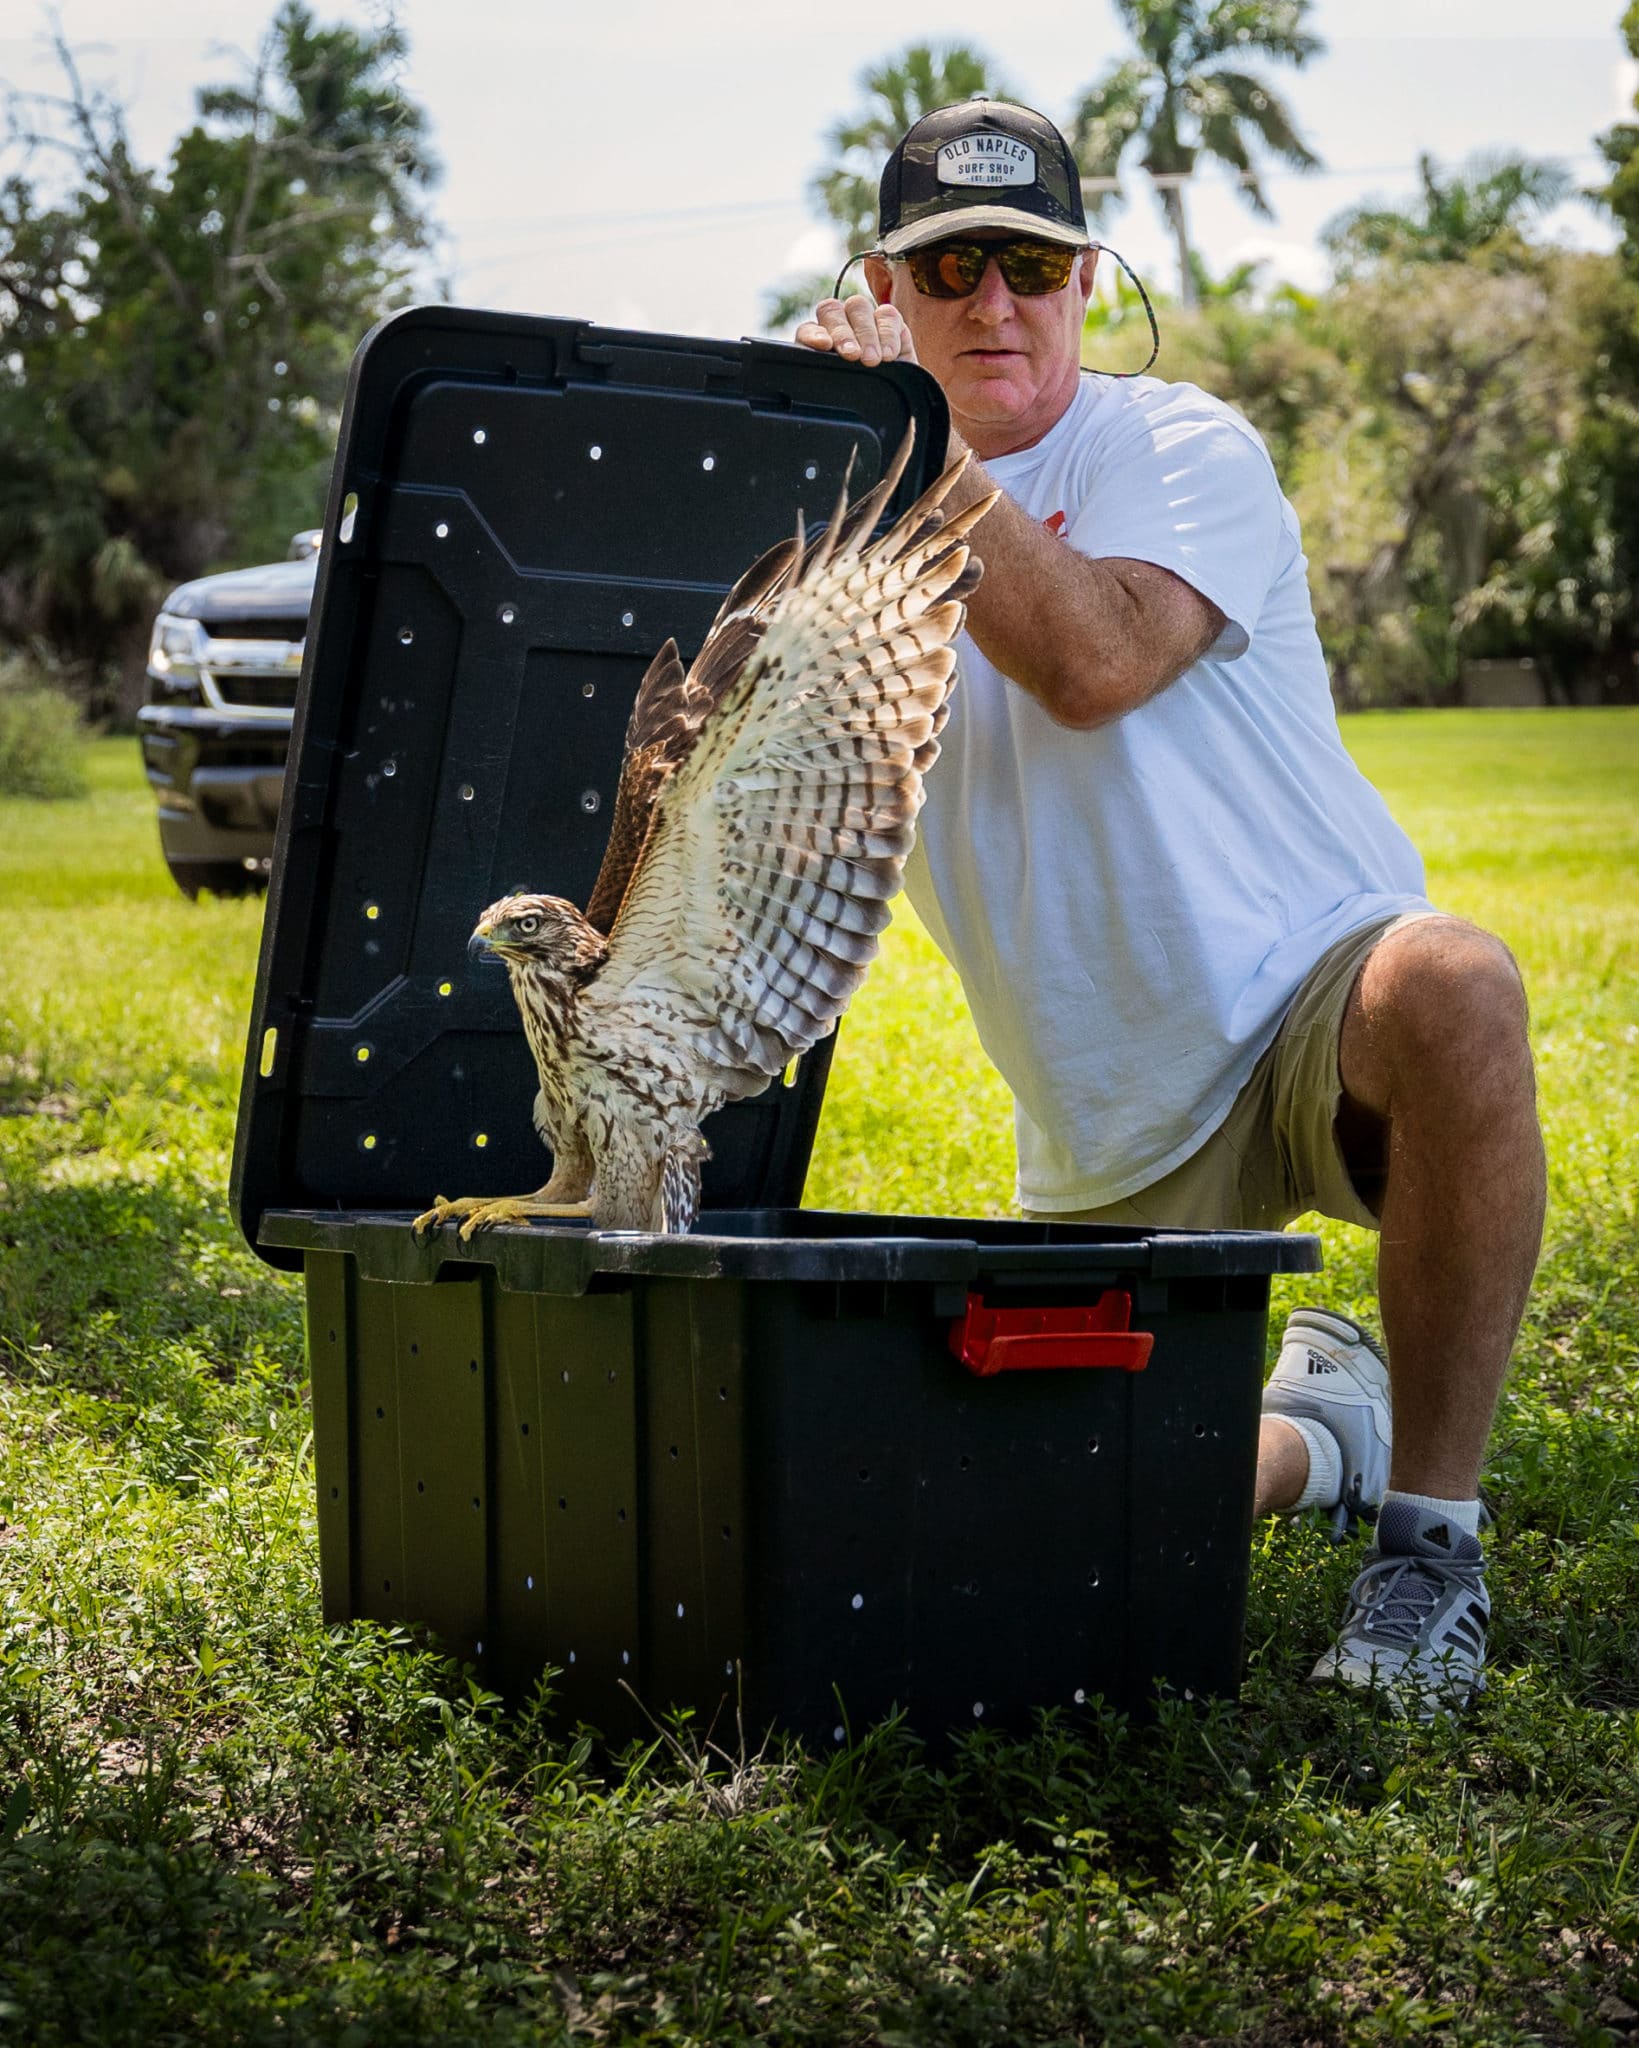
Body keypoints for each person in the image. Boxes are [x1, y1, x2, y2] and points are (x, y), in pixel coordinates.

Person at [795, 99, 1545, 1719]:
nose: (997, 304)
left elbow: (1095, 663)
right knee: (1029, 1526)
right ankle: (1319, 1436)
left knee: (1458, 984)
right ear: (885, 286)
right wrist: (820, 444)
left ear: (1083, 281)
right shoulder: (831, 516)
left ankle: (1430, 1543)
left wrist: (914, 442)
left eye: (1035, 264)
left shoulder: (1178, 444)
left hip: (1308, 998)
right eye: (951, 269)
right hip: (1112, 1120)